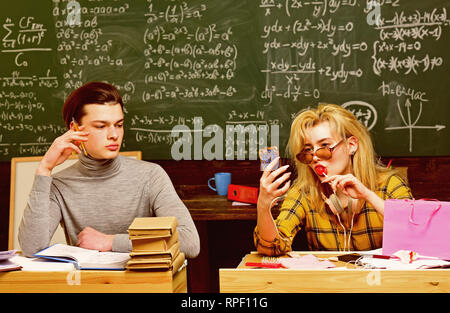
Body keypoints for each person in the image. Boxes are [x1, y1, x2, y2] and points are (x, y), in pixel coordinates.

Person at [19, 82, 200, 258]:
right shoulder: (59, 185)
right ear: (74, 129)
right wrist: (44, 170)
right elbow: (32, 248)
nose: (114, 134)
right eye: (101, 126)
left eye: (119, 125)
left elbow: (190, 242)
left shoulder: (151, 176)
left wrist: (111, 242)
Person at [254, 103, 413, 256]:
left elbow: (416, 231)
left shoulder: (388, 184)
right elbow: (272, 247)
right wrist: (263, 206)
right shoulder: (304, 193)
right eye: (308, 150)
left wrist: (368, 195)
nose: (315, 158)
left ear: (351, 145)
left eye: (324, 146)